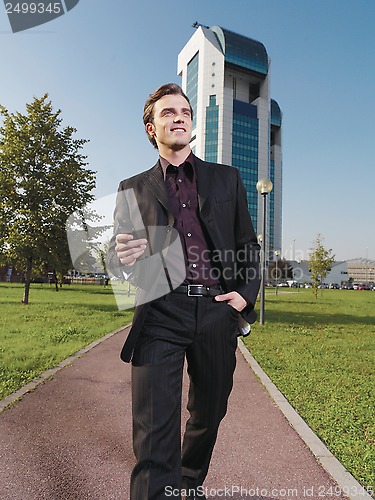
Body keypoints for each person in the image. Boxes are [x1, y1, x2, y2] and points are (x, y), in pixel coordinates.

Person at [107, 83, 260, 500]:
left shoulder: (227, 178)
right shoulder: (131, 188)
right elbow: (119, 251)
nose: (179, 117)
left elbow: (248, 245)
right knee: (154, 427)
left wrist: (245, 296)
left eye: (185, 112)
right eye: (168, 112)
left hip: (217, 310)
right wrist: (121, 254)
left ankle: (188, 483)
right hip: (160, 311)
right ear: (151, 128)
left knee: (209, 413)